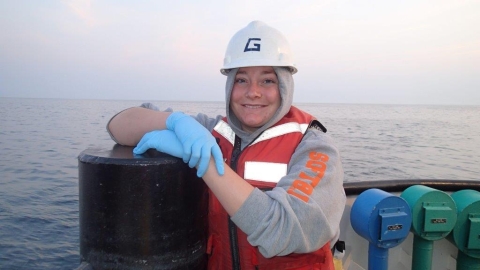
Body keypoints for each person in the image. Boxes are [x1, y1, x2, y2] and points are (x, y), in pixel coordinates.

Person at [107, 21, 346, 270]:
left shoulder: (314, 146)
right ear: (229, 85)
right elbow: (118, 125)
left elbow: (286, 230)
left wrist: (209, 163)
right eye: (241, 80)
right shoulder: (209, 132)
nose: (252, 92)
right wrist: (175, 122)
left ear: (285, 86)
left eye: (267, 81)